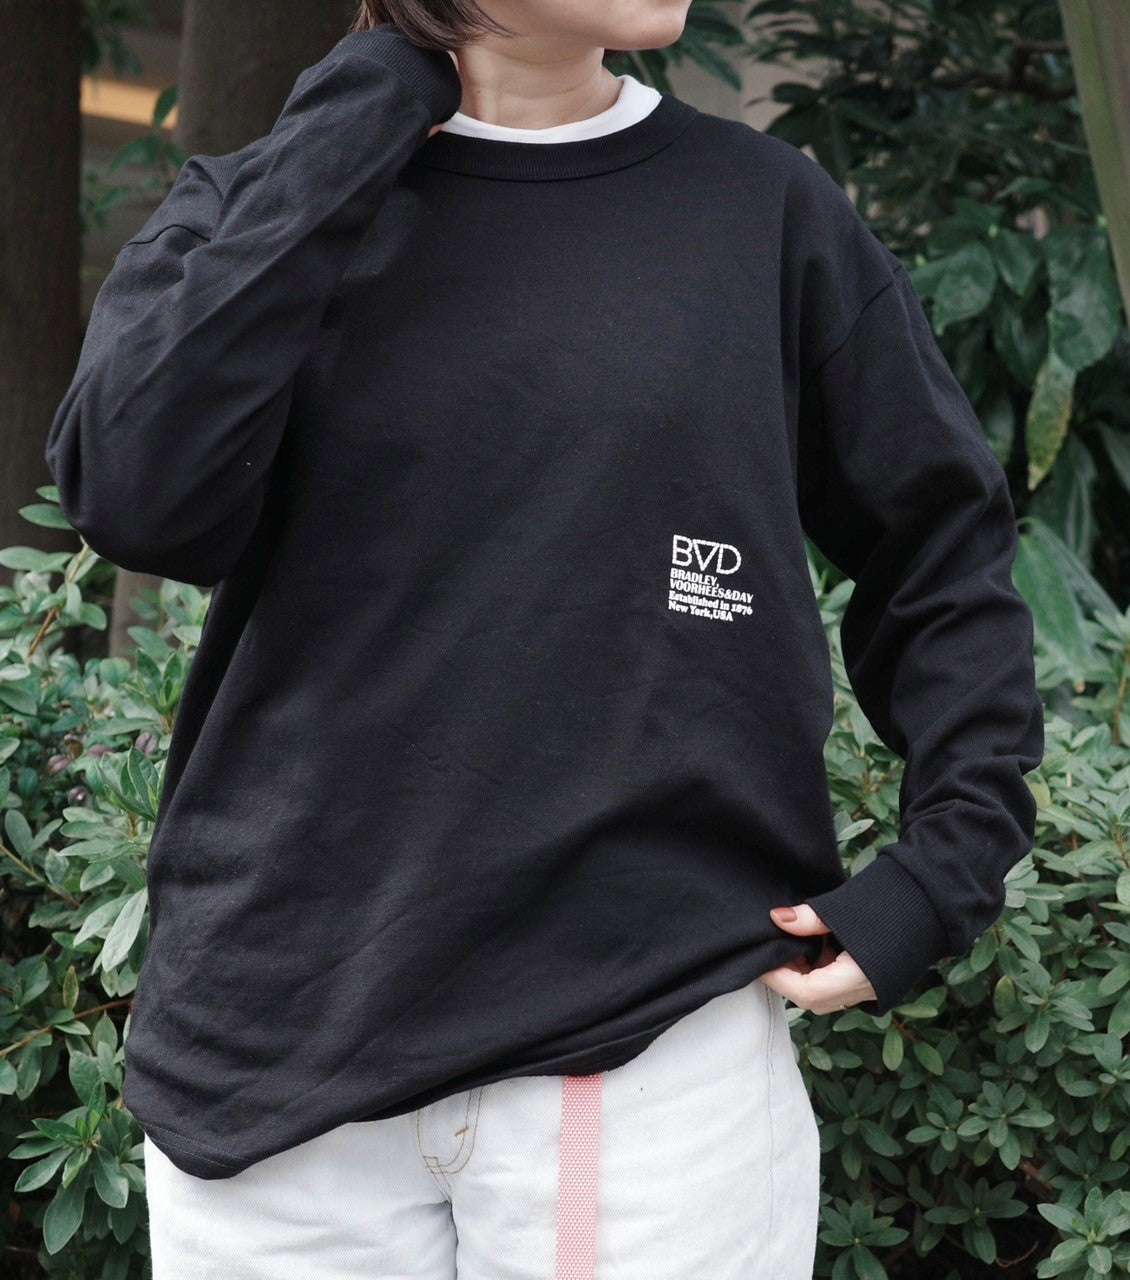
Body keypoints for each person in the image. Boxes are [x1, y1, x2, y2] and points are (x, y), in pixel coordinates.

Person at [44, 0, 1045, 1275]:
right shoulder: (260, 207)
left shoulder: (762, 212)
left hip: (647, 1060)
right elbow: (139, 500)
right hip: (271, 1065)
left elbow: (937, 543)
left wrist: (943, 865)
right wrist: (366, 106)